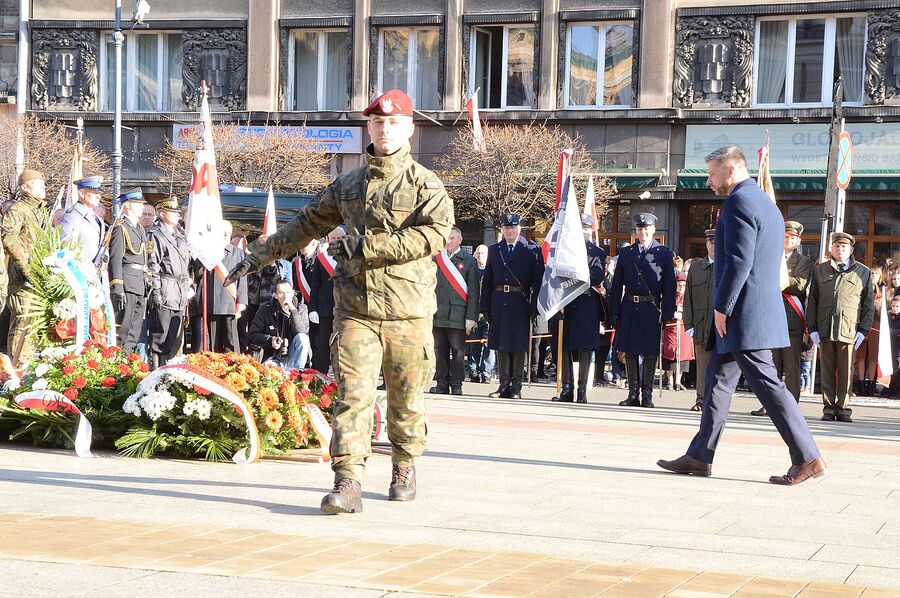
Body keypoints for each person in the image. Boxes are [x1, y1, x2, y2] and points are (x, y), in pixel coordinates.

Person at [223, 89, 452, 514]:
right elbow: (306, 224)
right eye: (378, 122)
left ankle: (404, 465)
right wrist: (257, 257)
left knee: (406, 395)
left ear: (409, 129)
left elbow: (435, 235)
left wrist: (369, 247)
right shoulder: (348, 185)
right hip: (356, 309)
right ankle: (348, 481)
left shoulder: (426, 184)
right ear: (369, 126)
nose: (385, 129)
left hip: (408, 312)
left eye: (393, 123)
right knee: (353, 394)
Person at [658, 145, 824, 486]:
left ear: (730, 168)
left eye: (712, 173)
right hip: (755, 311)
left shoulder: (739, 202)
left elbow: (737, 261)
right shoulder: (765, 202)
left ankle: (808, 457)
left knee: (768, 385)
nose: (709, 180)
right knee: (718, 382)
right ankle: (700, 455)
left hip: (745, 315)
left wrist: (722, 307)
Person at [609, 212, 676, 408]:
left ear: (653, 230)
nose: (643, 232)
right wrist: (614, 311)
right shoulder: (627, 253)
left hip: (650, 308)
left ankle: (647, 394)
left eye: (646, 229)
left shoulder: (663, 254)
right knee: (629, 352)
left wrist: (668, 312)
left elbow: (669, 286)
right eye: (639, 229)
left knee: (649, 353)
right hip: (629, 306)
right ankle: (632, 393)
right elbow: (616, 285)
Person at [807, 232, 874, 423]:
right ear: (831, 249)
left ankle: (843, 408)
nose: (840, 250)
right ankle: (828, 408)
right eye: (836, 246)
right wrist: (812, 328)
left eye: (844, 247)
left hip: (849, 330)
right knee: (827, 369)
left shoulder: (862, 272)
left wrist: (864, 331)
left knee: (846, 371)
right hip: (825, 327)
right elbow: (813, 301)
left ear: (851, 250)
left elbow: (868, 304)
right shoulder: (820, 270)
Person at [480, 213, 544, 400]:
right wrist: (485, 307)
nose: (510, 230)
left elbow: (537, 282)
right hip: (499, 300)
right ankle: (503, 385)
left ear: (519, 228)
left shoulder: (532, 250)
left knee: (518, 345)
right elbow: (488, 280)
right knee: (501, 345)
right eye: (506, 227)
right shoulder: (495, 250)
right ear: (502, 229)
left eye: (513, 227)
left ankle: (516, 387)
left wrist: (534, 308)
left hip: (520, 301)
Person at [752, 221, 813, 416]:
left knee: (791, 366)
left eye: (792, 238)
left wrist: (776, 278)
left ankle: (790, 406)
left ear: (798, 241)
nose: (788, 240)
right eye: (785, 237)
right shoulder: (769, 256)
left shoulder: (804, 261)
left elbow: (799, 285)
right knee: (770, 366)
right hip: (769, 318)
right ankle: (769, 404)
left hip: (791, 321)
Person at [552, 214, 607, 403]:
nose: (582, 231)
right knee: (564, 345)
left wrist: (574, 274)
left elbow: (597, 275)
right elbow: (557, 274)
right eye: (579, 227)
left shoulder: (597, 252)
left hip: (587, 304)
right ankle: (567, 388)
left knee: (585, 347)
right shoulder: (564, 250)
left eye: (586, 228)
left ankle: (582, 390)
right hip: (567, 303)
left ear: (591, 230)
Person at [1, 170, 48, 366]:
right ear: (25, 187)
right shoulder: (18, 209)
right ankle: (15, 374)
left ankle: (29, 371)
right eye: (38, 184)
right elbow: (9, 239)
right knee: (22, 324)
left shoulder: (41, 210)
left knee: (36, 327)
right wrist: (27, 267)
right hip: (22, 278)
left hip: (40, 275)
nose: (43, 187)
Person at [430, 227, 479, 395]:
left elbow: (473, 290)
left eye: (452, 238)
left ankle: (456, 384)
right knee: (439, 350)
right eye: (446, 238)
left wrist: (471, 317)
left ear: (460, 240)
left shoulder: (468, 260)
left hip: (458, 314)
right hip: (438, 313)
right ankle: (441, 383)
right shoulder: (436, 259)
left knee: (458, 352)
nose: (448, 241)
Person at [147, 197, 193, 368]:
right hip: (166, 289)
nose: (176, 216)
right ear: (163, 214)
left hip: (179, 291)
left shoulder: (179, 235)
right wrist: (156, 292)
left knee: (174, 335)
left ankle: (169, 368)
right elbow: (153, 266)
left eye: (176, 213)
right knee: (161, 334)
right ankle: (156, 369)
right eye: (172, 213)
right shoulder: (156, 235)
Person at [195, 221, 247, 353]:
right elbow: (198, 273)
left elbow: (242, 278)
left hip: (230, 301)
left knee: (231, 341)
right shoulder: (208, 252)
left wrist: (242, 301)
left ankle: (234, 369)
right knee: (213, 343)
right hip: (212, 302)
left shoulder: (238, 253)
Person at [108, 188, 149, 353]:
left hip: (139, 283)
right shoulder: (121, 227)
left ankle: (129, 363)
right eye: (138, 204)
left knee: (135, 331)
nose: (142, 208)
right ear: (129, 205)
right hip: (127, 283)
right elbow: (115, 258)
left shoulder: (139, 228)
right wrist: (117, 286)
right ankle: (120, 365)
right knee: (123, 330)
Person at [683, 228, 715, 411]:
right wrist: (688, 324)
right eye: (710, 242)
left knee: (720, 367)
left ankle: (716, 400)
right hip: (701, 325)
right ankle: (701, 399)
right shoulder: (696, 268)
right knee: (703, 365)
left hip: (722, 326)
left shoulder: (729, 266)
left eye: (717, 242)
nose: (713, 245)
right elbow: (688, 298)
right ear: (706, 244)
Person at [248, 279, 310, 369]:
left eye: (288, 292)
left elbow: (302, 331)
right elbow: (253, 335)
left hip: (294, 355)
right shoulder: (265, 309)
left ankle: (298, 373)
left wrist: (293, 310)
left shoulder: (301, 308)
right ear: (276, 295)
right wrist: (270, 339)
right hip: (274, 356)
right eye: (281, 293)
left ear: (293, 293)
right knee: (267, 370)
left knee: (303, 337)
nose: (285, 296)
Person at [309, 226, 344, 375]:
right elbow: (315, 286)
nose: (335, 241)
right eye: (333, 238)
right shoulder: (321, 259)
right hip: (324, 309)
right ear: (328, 240)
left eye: (338, 238)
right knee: (323, 343)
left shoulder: (351, 257)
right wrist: (313, 309)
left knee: (343, 344)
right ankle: (322, 375)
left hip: (345, 308)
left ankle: (341, 375)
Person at [60, 176, 107, 267]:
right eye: (94, 192)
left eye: (99, 193)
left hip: (96, 273)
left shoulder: (98, 219)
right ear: (82, 193)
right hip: (80, 272)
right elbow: (66, 247)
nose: (98, 196)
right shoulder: (72, 216)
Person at [854, 265, 884, 396]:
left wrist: (878, 305)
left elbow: (883, 315)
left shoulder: (882, 292)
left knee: (873, 358)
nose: (873, 276)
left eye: (875, 274)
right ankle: (861, 384)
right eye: (871, 273)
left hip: (875, 328)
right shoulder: (861, 290)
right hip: (861, 327)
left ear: (880, 276)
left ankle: (871, 385)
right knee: (860, 357)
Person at [662, 273, 695, 391]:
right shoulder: (670, 297)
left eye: (683, 285)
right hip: (671, 329)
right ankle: (670, 380)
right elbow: (664, 311)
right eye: (679, 285)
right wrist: (673, 313)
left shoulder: (689, 298)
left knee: (684, 355)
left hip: (684, 330)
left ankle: (678, 380)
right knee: (670, 353)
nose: (681, 287)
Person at [466, 244, 494, 383]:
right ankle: (473, 369)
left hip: (489, 313)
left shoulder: (492, 271)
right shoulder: (470, 271)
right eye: (478, 253)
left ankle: (486, 372)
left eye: (483, 253)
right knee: (474, 343)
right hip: (474, 313)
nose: (480, 256)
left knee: (489, 344)